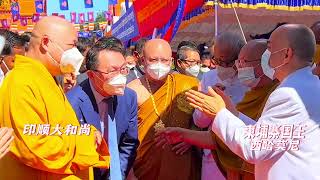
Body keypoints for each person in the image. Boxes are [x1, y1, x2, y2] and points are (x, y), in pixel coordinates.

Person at [185, 24, 320, 179]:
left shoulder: (290, 94)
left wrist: (220, 113)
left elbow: (254, 147)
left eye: (269, 48)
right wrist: (232, 113)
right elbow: (268, 134)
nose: (266, 55)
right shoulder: (308, 85)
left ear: (287, 54)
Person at [0, 16, 110, 179]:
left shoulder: (45, 77)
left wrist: (85, 132)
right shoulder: (21, 81)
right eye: (72, 45)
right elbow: (33, 146)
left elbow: (55, 127)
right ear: (45, 43)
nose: (76, 53)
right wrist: (84, 142)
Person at [127, 39, 201, 180]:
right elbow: (123, 137)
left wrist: (191, 137)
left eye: (165, 60)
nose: (159, 65)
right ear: (142, 61)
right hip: (144, 167)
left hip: (181, 162)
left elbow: (204, 122)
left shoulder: (188, 85)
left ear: (172, 61)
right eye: (154, 60)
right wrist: (129, 174)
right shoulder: (132, 91)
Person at [67, 36, 139, 180]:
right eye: (112, 71)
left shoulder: (129, 97)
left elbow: (129, 143)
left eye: (123, 69)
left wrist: (119, 174)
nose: (120, 76)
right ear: (92, 75)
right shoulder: (72, 103)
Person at [192, 32, 248, 180]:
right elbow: (199, 121)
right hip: (214, 154)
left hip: (242, 153)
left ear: (239, 58)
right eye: (218, 61)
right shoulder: (209, 77)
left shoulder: (250, 79)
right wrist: (208, 102)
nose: (222, 66)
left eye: (228, 62)